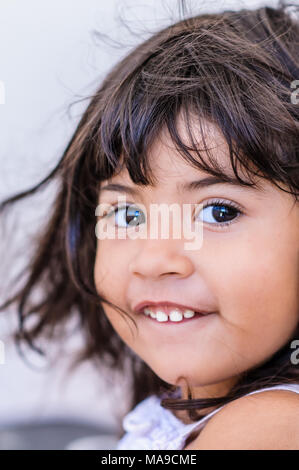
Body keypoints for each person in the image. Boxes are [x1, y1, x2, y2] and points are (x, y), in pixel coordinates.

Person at [1, 0, 299, 450]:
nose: (154, 259)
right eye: (128, 215)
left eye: (219, 212)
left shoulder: (270, 426)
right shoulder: (194, 406)